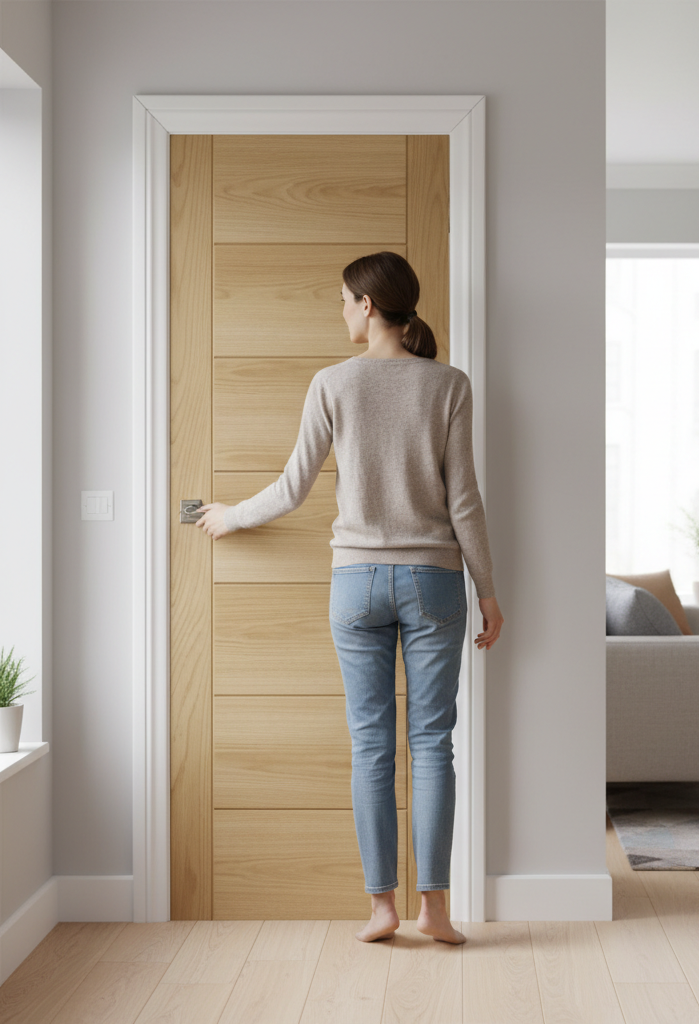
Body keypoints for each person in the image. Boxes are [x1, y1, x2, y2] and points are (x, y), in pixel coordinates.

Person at [195, 251, 503, 946]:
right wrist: (489, 591)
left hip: (356, 583)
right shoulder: (449, 384)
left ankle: (381, 908)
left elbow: (291, 488)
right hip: (435, 583)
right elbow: (465, 501)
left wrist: (230, 516)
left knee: (371, 746)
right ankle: (435, 911)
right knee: (433, 744)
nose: (341, 312)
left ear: (368, 305)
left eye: (343, 300)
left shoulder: (332, 383)